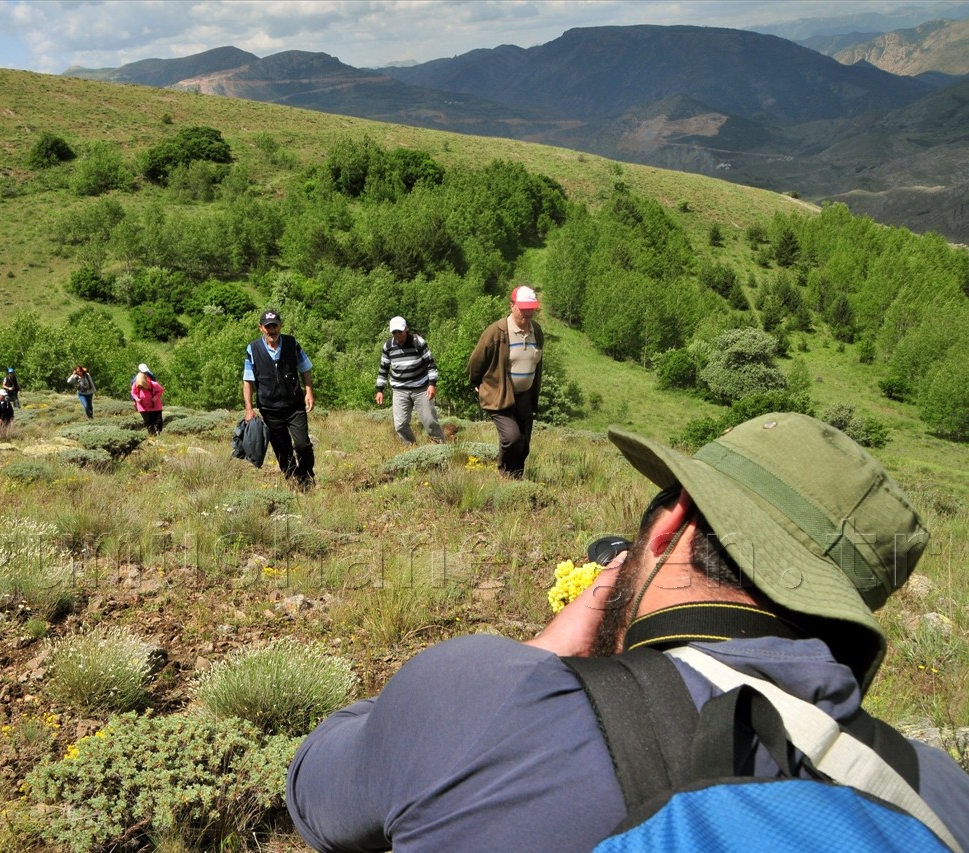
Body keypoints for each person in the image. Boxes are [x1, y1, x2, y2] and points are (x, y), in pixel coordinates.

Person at [286, 412, 969, 852]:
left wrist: (530, 660)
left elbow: (316, 792)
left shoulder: (484, 700)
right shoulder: (942, 795)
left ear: (675, 523)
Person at [467, 285, 543, 478]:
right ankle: (504, 474)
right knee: (512, 437)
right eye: (523, 308)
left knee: (523, 443)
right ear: (512, 306)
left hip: (525, 396)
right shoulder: (497, 331)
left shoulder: (537, 331)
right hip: (499, 394)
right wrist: (476, 382)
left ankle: (516, 479)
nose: (527, 313)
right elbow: (477, 360)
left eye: (531, 309)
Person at [242, 309, 315, 488]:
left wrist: (309, 392)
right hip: (270, 409)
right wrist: (249, 409)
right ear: (261, 328)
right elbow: (248, 380)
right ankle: (293, 479)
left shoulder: (292, 343)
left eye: (274, 326)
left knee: (302, 444)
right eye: (267, 327)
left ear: (280, 326)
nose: (271, 330)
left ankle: (306, 473)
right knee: (282, 450)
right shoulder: (253, 348)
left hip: (295, 406)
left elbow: (305, 368)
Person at [375, 316, 443, 445]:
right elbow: (383, 368)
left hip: (421, 387)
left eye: (400, 332)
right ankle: (412, 449)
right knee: (400, 425)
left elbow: (431, 365)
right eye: (394, 332)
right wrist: (380, 390)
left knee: (430, 422)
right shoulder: (388, 346)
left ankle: (441, 450)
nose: (397, 335)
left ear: (406, 329)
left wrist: (432, 384)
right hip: (399, 389)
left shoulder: (418, 342)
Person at [130, 365, 165, 436]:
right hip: (142, 406)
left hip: (155, 405)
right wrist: (136, 398)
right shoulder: (135, 384)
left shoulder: (154, 384)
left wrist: (156, 397)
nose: (142, 389)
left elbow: (161, 390)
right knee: (148, 422)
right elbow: (133, 392)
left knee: (158, 422)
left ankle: (159, 434)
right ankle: (152, 436)